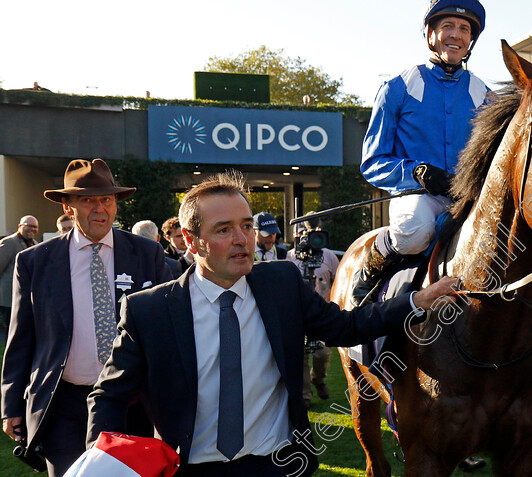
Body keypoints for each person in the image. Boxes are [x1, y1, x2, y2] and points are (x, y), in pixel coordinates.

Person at [86, 171, 458, 476]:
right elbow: (109, 396)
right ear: (191, 240)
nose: (241, 239)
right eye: (223, 229)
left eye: (246, 226)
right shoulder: (148, 310)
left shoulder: (281, 284)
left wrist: (415, 301)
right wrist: (103, 462)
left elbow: (346, 327)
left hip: (279, 465)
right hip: (189, 467)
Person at [1, 159, 171, 477]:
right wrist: (11, 405)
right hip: (64, 404)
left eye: (106, 199)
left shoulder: (147, 255)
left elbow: (167, 331)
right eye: (87, 200)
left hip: (131, 402)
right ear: (68, 206)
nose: (99, 208)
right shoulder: (35, 262)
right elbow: (21, 337)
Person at [353, 0, 489, 305]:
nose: (456, 35)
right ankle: (374, 263)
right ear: (430, 34)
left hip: (466, 199)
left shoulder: (485, 96)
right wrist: (416, 172)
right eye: (448, 26)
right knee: (416, 230)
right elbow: (373, 162)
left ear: (470, 41)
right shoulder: (396, 88)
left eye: (465, 29)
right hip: (417, 198)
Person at [286, 217, 341, 407]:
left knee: (322, 353)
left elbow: (338, 280)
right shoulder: (290, 257)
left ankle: (318, 379)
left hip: (322, 312)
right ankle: (305, 396)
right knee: (300, 355)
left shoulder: (328, 256)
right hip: (298, 314)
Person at [0, 216, 38, 340]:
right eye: (29, 225)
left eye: (35, 227)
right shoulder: (10, 242)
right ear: (20, 226)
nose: (32, 229)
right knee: (9, 331)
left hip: (26, 298)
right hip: (8, 298)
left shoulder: (36, 245)